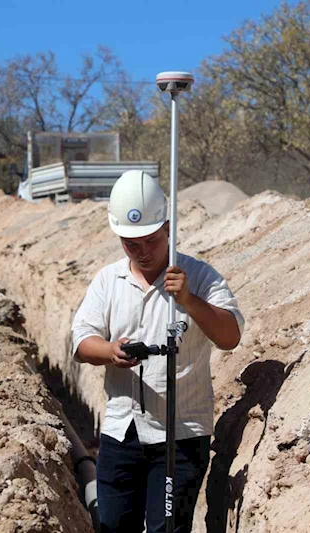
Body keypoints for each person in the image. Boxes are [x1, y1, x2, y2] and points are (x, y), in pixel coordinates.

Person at [70, 170, 245, 533]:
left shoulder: (198, 276)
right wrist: (109, 351)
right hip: (123, 432)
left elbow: (230, 336)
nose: (143, 252)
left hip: (180, 436)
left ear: (168, 227)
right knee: (114, 525)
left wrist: (188, 300)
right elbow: (82, 340)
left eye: (151, 241)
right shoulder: (108, 281)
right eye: (132, 244)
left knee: (168, 529)